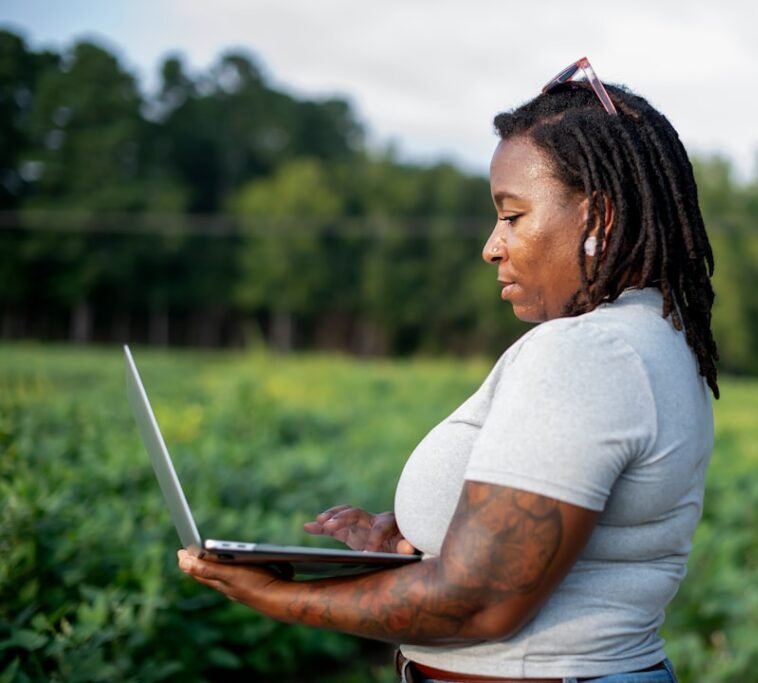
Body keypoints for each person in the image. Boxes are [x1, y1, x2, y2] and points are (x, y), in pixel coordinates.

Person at [178, 56, 719, 683]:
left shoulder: (587, 354)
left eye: (512, 215)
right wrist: (423, 543)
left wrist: (274, 595)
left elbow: (482, 601)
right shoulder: (651, 340)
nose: (492, 244)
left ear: (596, 217)